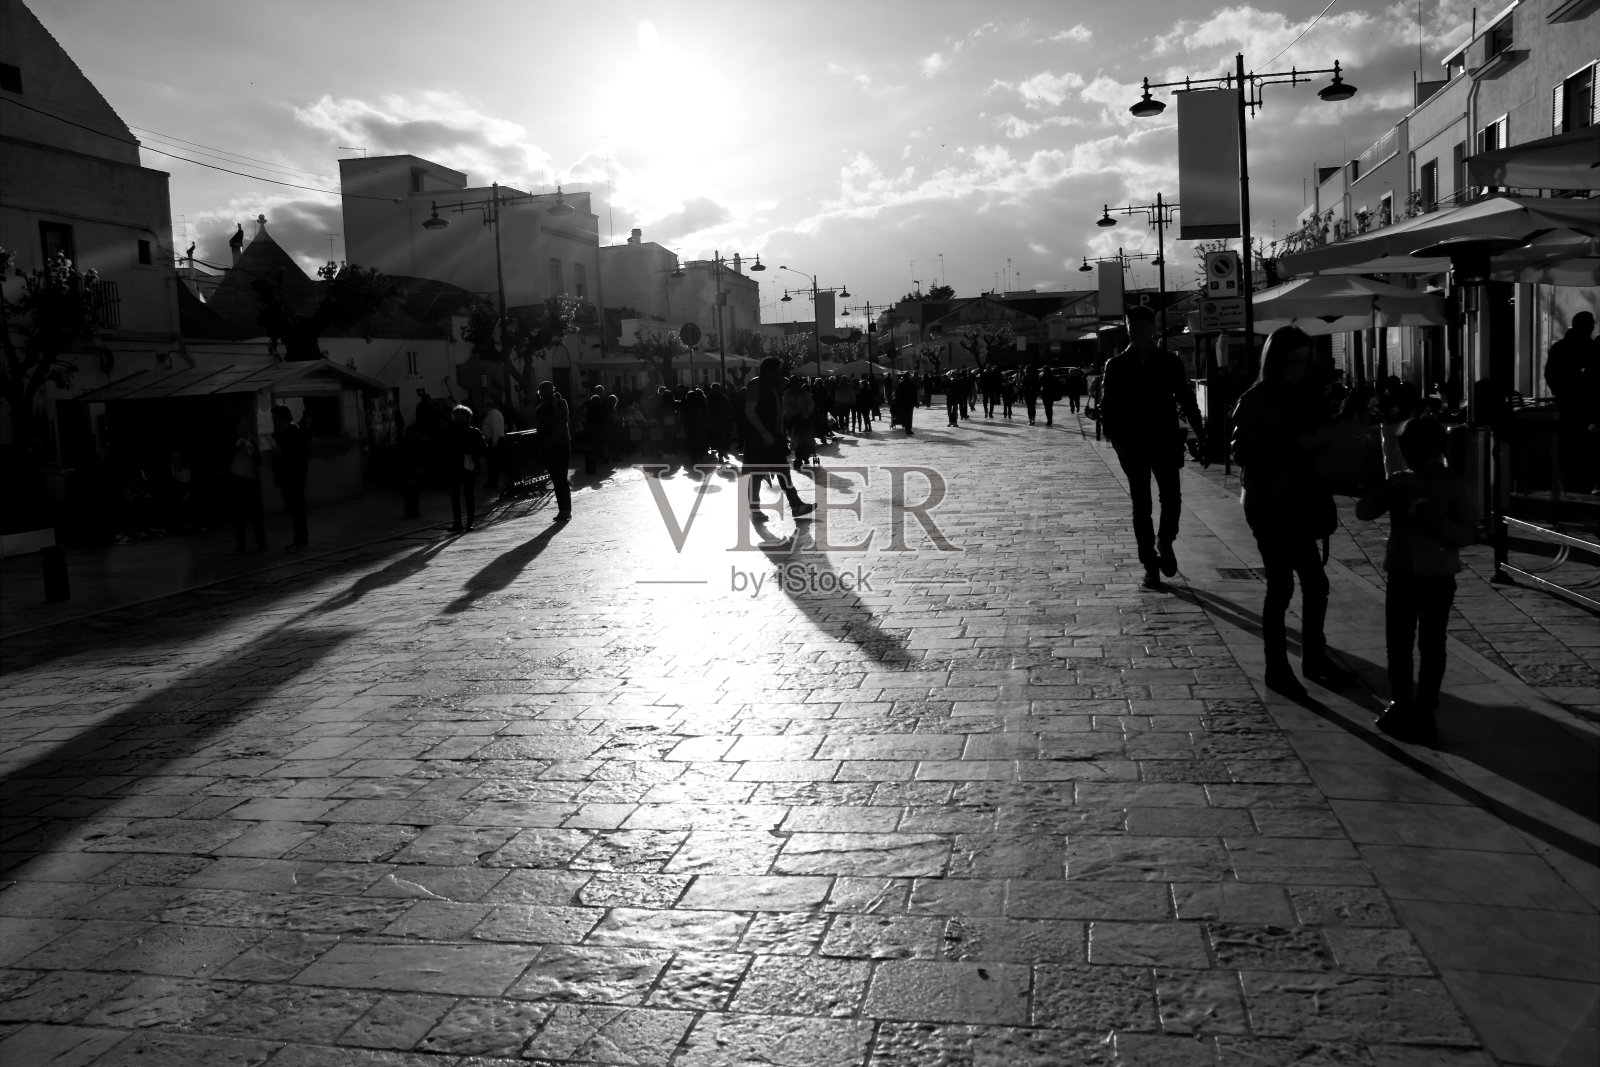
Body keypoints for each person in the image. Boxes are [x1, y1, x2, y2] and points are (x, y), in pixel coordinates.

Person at [1231, 326, 1354, 698]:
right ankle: (1277, 668)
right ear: (1276, 360)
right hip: (1269, 505)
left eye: (1306, 360)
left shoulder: (1302, 397)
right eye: (1295, 361)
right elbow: (1242, 452)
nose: (1302, 368)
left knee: (1315, 583)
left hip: (1299, 502)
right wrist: (1295, 446)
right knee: (1281, 586)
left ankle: (1314, 658)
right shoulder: (1254, 401)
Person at [1357, 416, 1477, 744]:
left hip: (1438, 574)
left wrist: (1436, 521)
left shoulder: (1452, 482)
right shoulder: (1401, 481)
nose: (1412, 459)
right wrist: (1388, 487)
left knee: (1431, 644)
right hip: (1401, 571)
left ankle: (1425, 707)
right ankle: (1401, 700)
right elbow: (1364, 511)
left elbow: (1467, 531)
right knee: (1398, 641)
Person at [1100, 306, 1206, 589]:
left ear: (1152, 329)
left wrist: (1201, 432)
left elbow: (1186, 398)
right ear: (1128, 330)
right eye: (1133, 329)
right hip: (1133, 444)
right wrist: (1116, 440)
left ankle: (1166, 540)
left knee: (1172, 499)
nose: (1138, 333)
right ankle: (1149, 564)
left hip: (1165, 439)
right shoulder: (1117, 365)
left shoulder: (1169, 362)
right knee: (1141, 505)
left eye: (1142, 328)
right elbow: (1107, 407)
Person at [743, 356, 816, 522]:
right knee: (756, 476)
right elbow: (749, 411)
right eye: (777, 370)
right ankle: (756, 510)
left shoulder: (772, 388)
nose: (779, 373)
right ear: (768, 370)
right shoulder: (756, 387)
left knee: (783, 471)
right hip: (759, 440)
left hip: (772, 439)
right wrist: (763, 432)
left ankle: (796, 504)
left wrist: (780, 434)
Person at [1545, 310, 1598, 494]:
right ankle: (1578, 481)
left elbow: (1550, 375)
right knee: (1579, 444)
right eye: (1590, 324)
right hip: (1578, 405)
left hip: (1574, 404)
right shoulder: (1586, 348)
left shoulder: (1563, 347)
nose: (1592, 327)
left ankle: (1575, 481)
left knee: (1574, 444)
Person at [270, 405, 310, 552]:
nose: (273, 419)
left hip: (295, 476)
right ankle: (299, 539)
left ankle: (301, 540)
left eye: (275, 416)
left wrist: (282, 453)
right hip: (287, 476)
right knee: (293, 508)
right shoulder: (281, 434)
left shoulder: (294, 433)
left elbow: (300, 456)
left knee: (297, 508)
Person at [533, 382, 573, 521]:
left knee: (561, 478)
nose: (545, 394)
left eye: (547, 391)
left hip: (561, 444)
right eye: (543, 391)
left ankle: (566, 510)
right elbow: (540, 428)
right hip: (549, 446)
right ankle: (563, 510)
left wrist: (555, 406)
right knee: (556, 479)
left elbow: (563, 420)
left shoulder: (561, 403)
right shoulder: (540, 409)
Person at [443, 404, 486, 532]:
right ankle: (458, 522)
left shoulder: (474, 432)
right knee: (456, 495)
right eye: (456, 416)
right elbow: (446, 448)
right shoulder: (452, 431)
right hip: (456, 466)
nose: (456, 419)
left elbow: (483, 448)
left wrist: (472, 455)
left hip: (468, 465)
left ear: (467, 418)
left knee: (468, 495)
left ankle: (468, 522)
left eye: (459, 417)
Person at [226, 420, 266, 553]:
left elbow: (259, 461)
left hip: (251, 484)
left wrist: (252, 451)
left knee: (255, 515)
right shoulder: (233, 442)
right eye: (240, 429)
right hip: (237, 485)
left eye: (244, 428)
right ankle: (241, 543)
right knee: (238, 517)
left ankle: (261, 542)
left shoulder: (252, 442)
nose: (242, 431)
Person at [481, 400, 507, 490]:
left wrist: (494, 442)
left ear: (488, 406)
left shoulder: (494, 414)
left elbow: (495, 429)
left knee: (493, 463)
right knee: (492, 463)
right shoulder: (492, 414)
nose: (483, 409)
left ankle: (492, 483)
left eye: (484, 407)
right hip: (493, 440)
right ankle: (491, 482)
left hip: (495, 441)